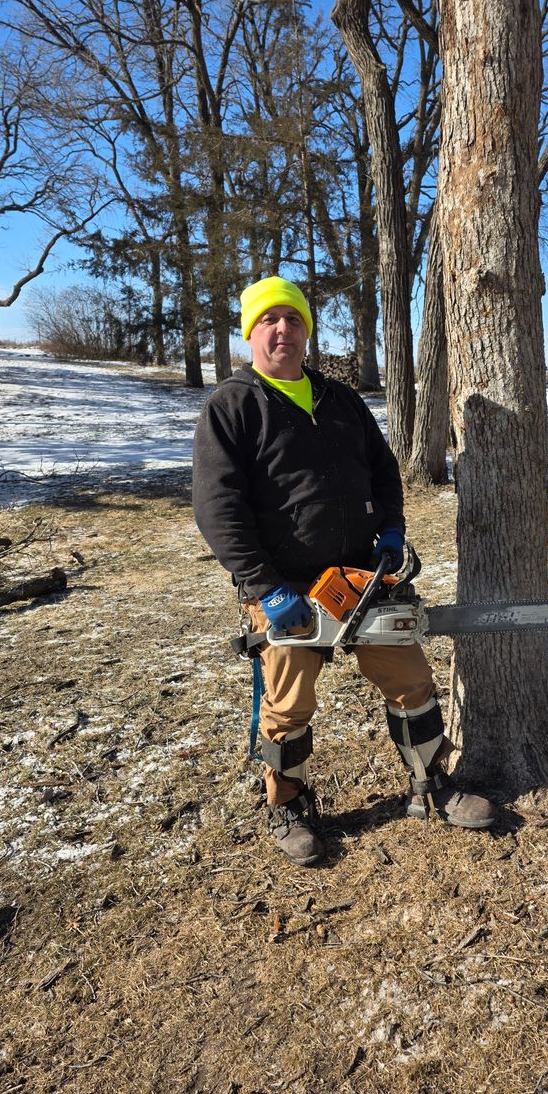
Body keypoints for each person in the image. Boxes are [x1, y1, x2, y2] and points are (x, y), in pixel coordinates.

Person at [192, 277, 495, 865]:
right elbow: (217, 509)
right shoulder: (232, 405)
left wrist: (391, 528)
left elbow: (383, 473)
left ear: (307, 330)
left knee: (412, 683)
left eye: (294, 319)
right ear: (250, 332)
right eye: (270, 320)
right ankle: (289, 805)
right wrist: (265, 588)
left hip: (361, 579)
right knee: (287, 709)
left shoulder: (341, 400)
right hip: (286, 588)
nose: (284, 330)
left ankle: (430, 784)